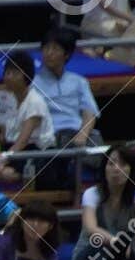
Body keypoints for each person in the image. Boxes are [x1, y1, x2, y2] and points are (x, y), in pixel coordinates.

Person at [0, 50, 54, 187]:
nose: (8, 77)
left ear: (25, 76)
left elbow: (22, 142)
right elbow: (7, 138)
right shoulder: (7, 100)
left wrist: (2, 162)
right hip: (13, 149)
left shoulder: (35, 102)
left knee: (3, 173)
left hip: (36, 152)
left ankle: (25, 178)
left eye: (14, 73)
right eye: (6, 73)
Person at [31, 26, 100, 177]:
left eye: (55, 49)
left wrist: (82, 135)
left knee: (99, 146)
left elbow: (90, 112)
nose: (49, 53)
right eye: (46, 48)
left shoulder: (79, 81)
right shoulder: (33, 83)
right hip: (51, 137)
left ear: (66, 54)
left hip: (77, 134)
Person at [72, 144, 135, 260]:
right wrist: (117, 243)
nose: (116, 169)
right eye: (111, 163)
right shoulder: (92, 193)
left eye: (123, 164)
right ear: (104, 169)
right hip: (90, 251)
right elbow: (91, 229)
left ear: (132, 169)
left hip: (124, 253)